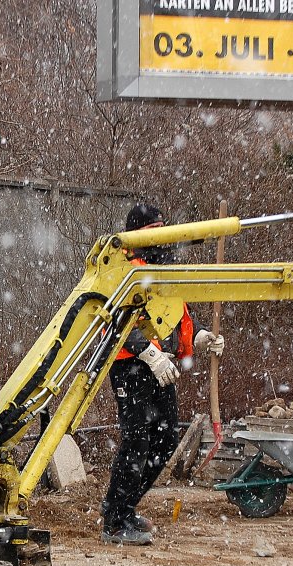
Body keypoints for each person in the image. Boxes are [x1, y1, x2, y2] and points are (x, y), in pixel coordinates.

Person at [101, 203, 225, 545]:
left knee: (166, 438)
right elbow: (117, 321)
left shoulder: (165, 271)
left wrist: (199, 336)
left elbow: (177, 315)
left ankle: (122, 507)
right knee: (137, 440)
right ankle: (114, 521)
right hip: (131, 365)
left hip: (162, 368)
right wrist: (149, 353)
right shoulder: (125, 270)